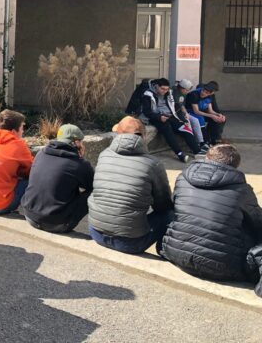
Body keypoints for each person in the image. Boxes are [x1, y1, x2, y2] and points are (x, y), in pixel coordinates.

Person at [162, 144, 262, 295]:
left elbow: (173, 207)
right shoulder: (242, 190)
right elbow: (257, 223)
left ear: (207, 158)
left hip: (177, 255)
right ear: (236, 166)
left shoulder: (182, 178)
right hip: (223, 267)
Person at [87, 116, 174, 255]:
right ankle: (165, 251)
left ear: (118, 134)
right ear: (144, 136)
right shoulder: (153, 164)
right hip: (130, 243)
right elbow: (163, 205)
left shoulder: (104, 155)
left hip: (95, 232)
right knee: (170, 214)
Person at [21, 124, 94, 234]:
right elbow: (93, 186)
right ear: (76, 142)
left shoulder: (41, 154)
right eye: (81, 142)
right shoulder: (79, 164)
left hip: (30, 216)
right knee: (95, 192)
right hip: (57, 224)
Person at [139, 77, 200, 162]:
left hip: (170, 115)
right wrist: (159, 117)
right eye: (162, 89)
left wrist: (183, 119)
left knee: (185, 128)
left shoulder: (169, 93)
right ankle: (179, 153)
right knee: (167, 129)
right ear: (157, 86)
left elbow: (176, 106)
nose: (164, 91)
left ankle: (197, 151)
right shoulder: (148, 94)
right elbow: (147, 112)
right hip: (154, 117)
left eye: (166, 89)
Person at [172, 78, 209, 153]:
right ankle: (194, 147)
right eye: (187, 90)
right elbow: (177, 106)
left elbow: (182, 105)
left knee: (195, 121)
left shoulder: (183, 93)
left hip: (182, 113)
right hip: (175, 114)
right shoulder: (174, 92)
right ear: (182, 88)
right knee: (188, 124)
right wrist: (184, 118)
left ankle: (200, 143)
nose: (188, 91)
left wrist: (185, 113)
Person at [186, 81, 227, 146]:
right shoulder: (194, 94)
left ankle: (215, 140)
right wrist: (212, 116)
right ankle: (204, 141)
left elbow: (210, 110)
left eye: (206, 93)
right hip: (191, 112)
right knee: (201, 119)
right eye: (203, 91)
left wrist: (218, 115)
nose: (203, 93)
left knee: (218, 119)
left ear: (211, 93)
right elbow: (196, 111)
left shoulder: (210, 96)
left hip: (201, 112)